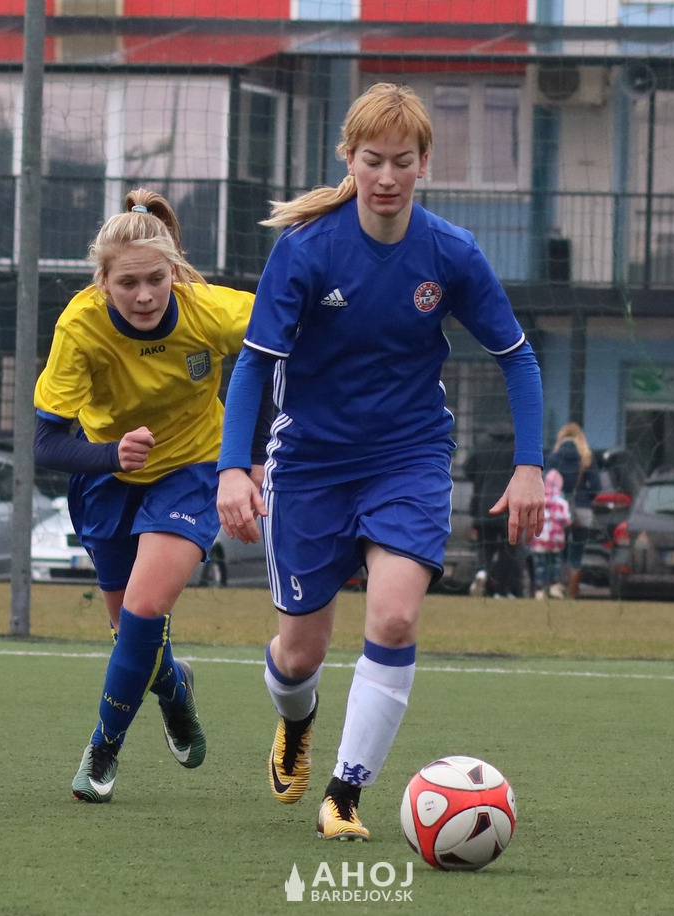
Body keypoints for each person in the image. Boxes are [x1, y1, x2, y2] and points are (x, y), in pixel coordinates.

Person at [216, 83, 546, 842]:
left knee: (395, 617)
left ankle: (345, 793)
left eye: (402, 161)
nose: (387, 177)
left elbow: (518, 358)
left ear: (425, 162)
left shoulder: (451, 253)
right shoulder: (306, 250)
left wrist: (529, 465)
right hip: (309, 466)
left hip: (408, 457)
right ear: (349, 160)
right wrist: (234, 467)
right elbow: (253, 364)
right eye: (373, 160)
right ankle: (296, 720)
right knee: (299, 654)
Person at [32, 188, 259, 804]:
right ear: (102, 282)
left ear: (175, 272)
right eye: (127, 283)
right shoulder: (80, 325)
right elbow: (46, 443)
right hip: (107, 475)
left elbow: (284, 343)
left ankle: (102, 750)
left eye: (156, 279)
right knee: (132, 637)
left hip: (193, 468)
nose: (144, 296)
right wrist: (112, 454)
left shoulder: (208, 309)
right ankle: (175, 689)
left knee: (144, 608)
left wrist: (253, 456)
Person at [466, 428, 527, 598]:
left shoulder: (482, 444)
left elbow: (468, 470)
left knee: (485, 546)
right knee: (509, 550)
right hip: (510, 507)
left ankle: (482, 572)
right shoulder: (518, 447)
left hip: (484, 505)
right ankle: (502, 588)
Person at [545, 422, 600, 599]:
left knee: (560, 551)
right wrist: (585, 499)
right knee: (577, 553)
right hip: (582, 510)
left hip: (558, 510)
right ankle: (573, 593)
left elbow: (546, 483)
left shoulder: (553, 457)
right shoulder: (586, 457)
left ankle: (558, 588)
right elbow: (596, 486)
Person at [530, 468, 572, 598]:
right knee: (555, 563)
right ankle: (554, 587)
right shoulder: (561, 501)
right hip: (556, 538)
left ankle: (539, 590)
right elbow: (566, 519)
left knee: (540, 565)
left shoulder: (538, 499)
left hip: (539, 537)